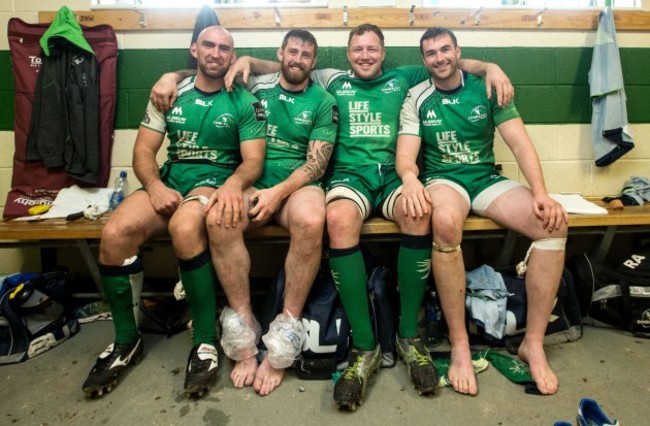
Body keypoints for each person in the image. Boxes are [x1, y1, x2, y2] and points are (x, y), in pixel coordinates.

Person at [190, 23, 514, 410]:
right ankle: (365, 345)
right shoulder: (332, 78)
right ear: (347, 54)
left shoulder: (405, 76)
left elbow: (452, 64)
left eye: (372, 49)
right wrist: (244, 58)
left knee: (419, 214)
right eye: (357, 49)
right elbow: (281, 67)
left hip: (393, 175)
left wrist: (489, 66)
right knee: (339, 220)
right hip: (350, 177)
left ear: (383, 51)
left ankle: (408, 337)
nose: (364, 56)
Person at [81, 26, 267, 399]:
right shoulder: (167, 92)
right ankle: (125, 341)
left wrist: (232, 185)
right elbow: (144, 154)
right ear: (194, 49)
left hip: (213, 184)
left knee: (185, 226)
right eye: (209, 46)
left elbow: (253, 162)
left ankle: (204, 341)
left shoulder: (243, 100)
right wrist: (154, 186)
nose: (216, 53)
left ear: (232, 56)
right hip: (170, 180)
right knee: (114, 235)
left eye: (224, 49)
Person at [151, 29, 338, 397]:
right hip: (251, 180)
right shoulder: (255, 85)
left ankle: (286, 330)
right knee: (219, 216)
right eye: (292, 51)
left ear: (313, 63)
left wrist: (277, 194)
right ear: (280, 53)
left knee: (312, 220)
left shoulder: (323, 100)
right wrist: (169, 75)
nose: (298, 59)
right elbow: (205, 70)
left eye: (306, 55)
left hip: (297, 186)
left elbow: (317, 164)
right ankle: (244, 330)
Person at [396, 27, 568, 396]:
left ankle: (532, 343)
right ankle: (460, 345)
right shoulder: (416, 95)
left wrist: (541, 193)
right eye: (430, 53)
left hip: (485, 178)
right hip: (444, 180)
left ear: (458, 51)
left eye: (445, 49)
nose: (439, 58)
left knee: (552, 224)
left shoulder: (487, 86)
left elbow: (520, 144)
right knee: (443, 222)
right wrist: (410, 179)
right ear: (423, 60)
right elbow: (406, 156)